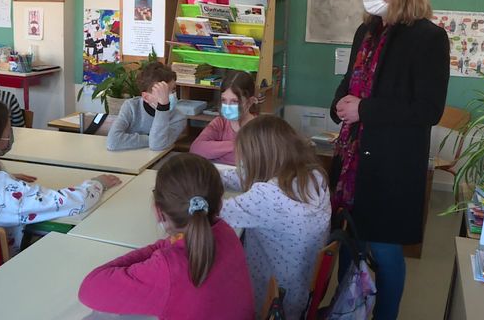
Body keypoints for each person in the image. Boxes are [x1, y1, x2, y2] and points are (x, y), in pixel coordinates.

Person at [330, 0, 449, 319]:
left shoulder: (429, 38)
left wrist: (363, 109)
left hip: (391, 165)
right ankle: (349, 310)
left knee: (383, 250)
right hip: (353, 160)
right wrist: (338, 106)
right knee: (349, 242)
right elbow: (350, 82)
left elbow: (428, 110)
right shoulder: (366, 31)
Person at [0, 98, 121, 255]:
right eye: (9, 127)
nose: (11, 132)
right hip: (1, 271)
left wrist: (1, 180)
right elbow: (73, 202)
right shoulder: (3, 189)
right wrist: (98, 183)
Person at [79, 153, 254, 319]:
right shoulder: (226, 231)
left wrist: (159, 252)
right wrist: (164, 248)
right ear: (220, 204)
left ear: (158, 211)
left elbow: (89, 288)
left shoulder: (167, 269)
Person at [219, 115, 331, 319]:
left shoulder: (267, 195)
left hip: (272, 299)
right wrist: (218, 177)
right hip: (300, 289)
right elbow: (248, 176)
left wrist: (193, 182)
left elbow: (213, 212)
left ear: (259, 158)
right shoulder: (314, 176)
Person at [106, 62, 186, 151]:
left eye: (173, 89)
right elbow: (113, 142)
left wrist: (163, 107)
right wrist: (150, 138)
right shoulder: (131, 106)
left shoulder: (178, 118)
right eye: (163, 92)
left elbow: (157, 145)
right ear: (146, 97)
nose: (172, 95)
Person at [190, 71, 258, 165]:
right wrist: (236, 145)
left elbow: (255, 160)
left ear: (250, 102)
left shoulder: (260, 128)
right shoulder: (220, 122)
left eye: (235, 101)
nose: (228, 106)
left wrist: (216, 152)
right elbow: (196, 149)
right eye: (224, 100)